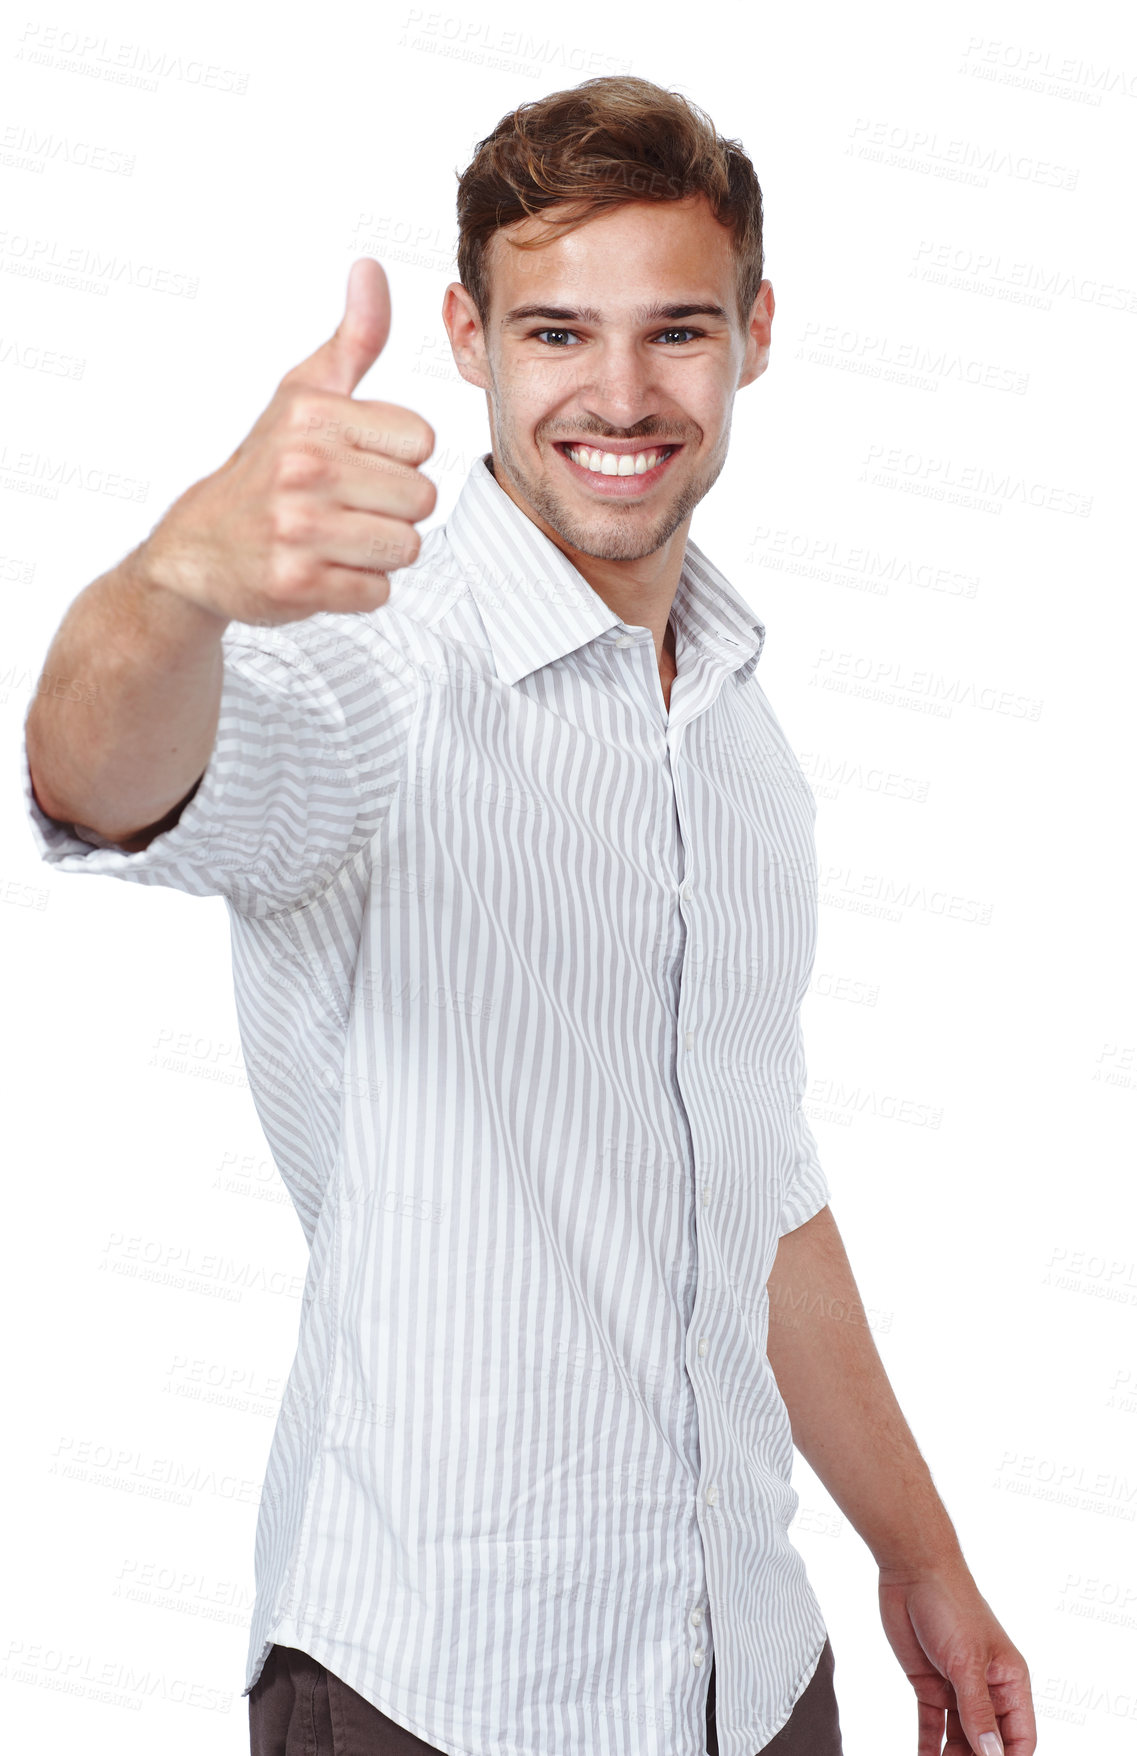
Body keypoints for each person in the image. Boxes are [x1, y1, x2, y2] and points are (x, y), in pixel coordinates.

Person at [21, 75, 1035, 1756]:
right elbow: (101, 777)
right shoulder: (365, 670)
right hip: (441, 1686)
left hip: (751, 1679)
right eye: (556, 332)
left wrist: (917, 1553)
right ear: (467, 337)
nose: (620, 395)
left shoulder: (739, 733)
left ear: (756, 335)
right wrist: (177, 582)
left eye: (676, 331)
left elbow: (756, 1179)